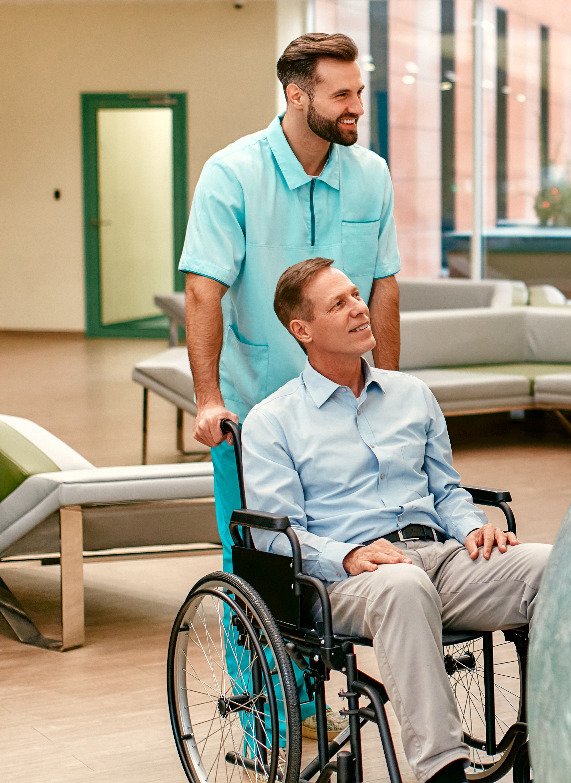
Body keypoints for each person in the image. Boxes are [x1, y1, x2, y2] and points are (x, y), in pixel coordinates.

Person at [241, 257, 550, 783]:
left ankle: (562, 739)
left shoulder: (412, 395)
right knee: (402, 586)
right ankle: (442, 770)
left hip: (441, 558)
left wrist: (472, 527)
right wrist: (349, 555)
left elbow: (447, 491)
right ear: (303, 330)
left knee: (552, 566)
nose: (360, 309)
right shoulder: (272, 422)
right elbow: (277, 535)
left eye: (355, 295)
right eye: (338, 304)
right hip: (344, 580)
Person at [179, 32, 402, 573]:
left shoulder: (371, 175)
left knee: (349, 548)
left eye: (358, 92)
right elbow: (203, 289)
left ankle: (320, 653)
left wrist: (390, 388)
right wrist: (209, 400)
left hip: (348, 408)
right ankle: (253, 661)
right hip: (256, 405)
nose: (356, 108)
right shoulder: (231, 173)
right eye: (341, 96)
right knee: (258, 556)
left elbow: (385, 287)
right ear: (297, 96)